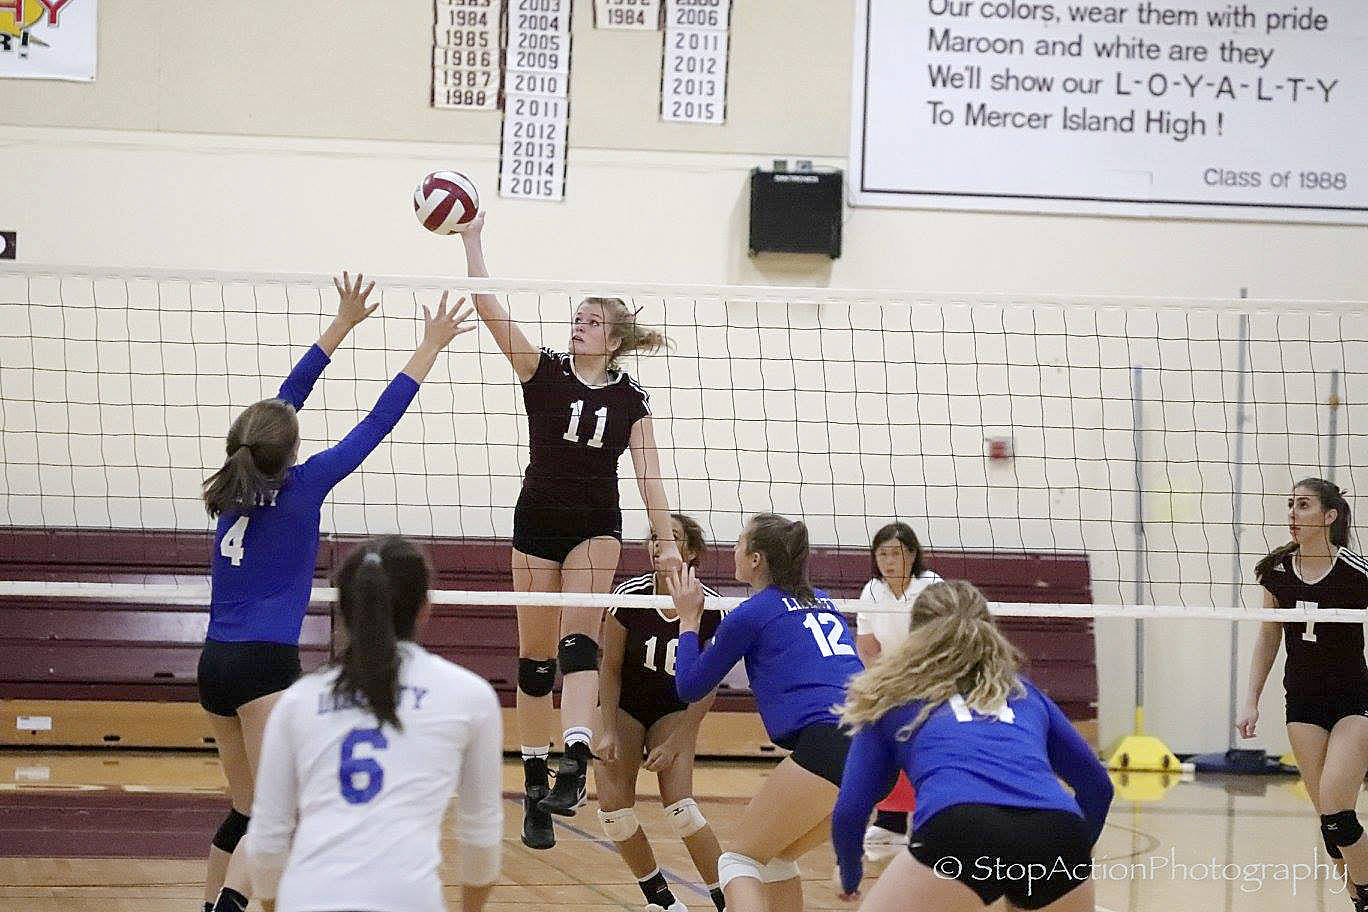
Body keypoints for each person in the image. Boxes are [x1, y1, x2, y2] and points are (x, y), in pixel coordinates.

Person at [196, 275, 475, 912]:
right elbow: (378, 421)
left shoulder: (232, 484)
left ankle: (210, 904)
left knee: (245, 806)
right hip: (264, 665)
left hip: (214, 663)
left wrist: (340, 326)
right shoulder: (306, 483)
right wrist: (430, 343)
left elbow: (278, 409)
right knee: (274, 813)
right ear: (291, 449)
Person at [456, 213, 683, 848]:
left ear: (612, 339)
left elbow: (650, 477)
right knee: (533, 663)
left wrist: (663, 542)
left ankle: (575, 762)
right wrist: (473, 238)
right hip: (537, 521)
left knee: (578, 642)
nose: (578, 325)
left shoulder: (632, 401)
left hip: (595, 526)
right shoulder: (543, 371)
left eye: (591, 320)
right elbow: (486, 303)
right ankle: (533, 787)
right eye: (576, 317)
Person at [243, 536, 502, 912]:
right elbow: (480, 834)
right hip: (409, 900)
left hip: (307, 897)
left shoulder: (299, 701)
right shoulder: (469, 695)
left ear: (345, 608)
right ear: (424, 608)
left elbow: (266, 839)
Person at [831, 580, 1112, 911]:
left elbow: (851, 810)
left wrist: (849, 874)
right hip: (1056, 830)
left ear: (915, 635)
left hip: (959, 828)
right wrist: (1070, 855)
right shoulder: (1021, 691)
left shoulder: (892, 694)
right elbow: (1097, 788)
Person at [668, 512, 864, 912]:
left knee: (738, 860)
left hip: (832, 742)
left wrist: (689, 620)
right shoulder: (824, 601)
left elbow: (689, 685)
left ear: (756, 559)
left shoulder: (753, 613)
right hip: (877, 751)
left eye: (740, 543)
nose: (734, 550)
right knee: (776, 858)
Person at [1238, 478, 1368, 911]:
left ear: (1329, 517)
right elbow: (1268, 636)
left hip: (1354, 701)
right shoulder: (1275, 572)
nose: (1292, 512)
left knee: (1336, 805)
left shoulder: (1355, 571)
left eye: (1304, 505)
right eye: (1290, 504)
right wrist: (1251, 700)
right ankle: (1358, 899)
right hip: (1303, 704)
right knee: (1329, 823)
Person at [596, 513, 726, 912]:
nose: (658, 545)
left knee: (682, 810)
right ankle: (663, 901)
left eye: (669, 538)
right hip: (627, 706)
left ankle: (729, 898)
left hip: (676, 707)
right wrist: (606, 730)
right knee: (613, 813)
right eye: (653, 537)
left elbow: (708, 685)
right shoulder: (630, 596)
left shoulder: (713, 608)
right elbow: (610, 668)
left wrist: (678, 741)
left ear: (690, 551)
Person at [853, 522, 941, 859]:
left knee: (925, 750)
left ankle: (928, 822)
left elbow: (940, 645)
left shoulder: (931, 588)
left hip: (932, 680)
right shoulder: (872, 590)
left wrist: (915, 684)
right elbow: (867, 646)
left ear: (913, 554)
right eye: (883, 554)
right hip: (892, 681)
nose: (889, 561)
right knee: (883, 744)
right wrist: (882, 684)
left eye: (898, 553)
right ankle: (890, 821)